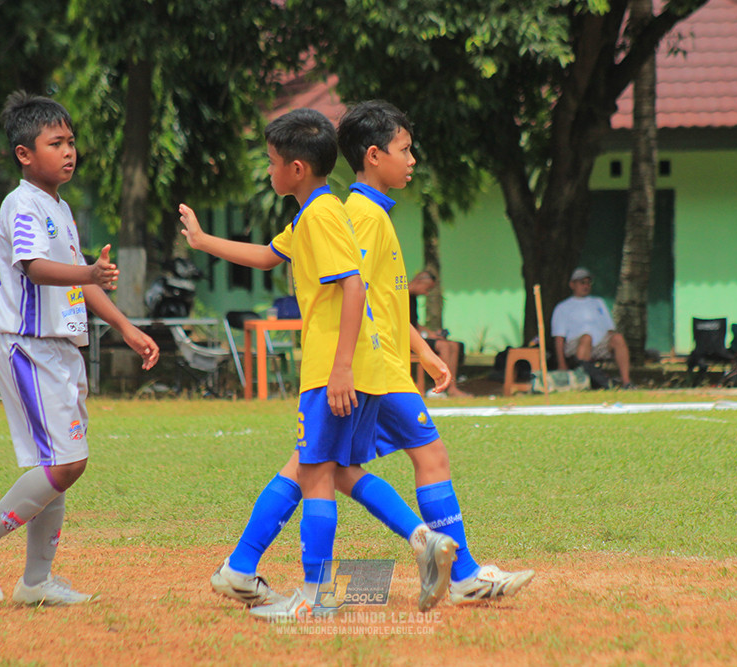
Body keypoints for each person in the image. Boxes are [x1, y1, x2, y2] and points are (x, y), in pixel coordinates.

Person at [183, 101, 534, 613]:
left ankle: (262, 572)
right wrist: (360, 364)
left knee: (324, 468)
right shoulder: (353, 215)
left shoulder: (342, 212)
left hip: (359, 366)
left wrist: (421, 351)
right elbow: (350, 291)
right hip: (364, 368)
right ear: (372, 156)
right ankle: (412, 563)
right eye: (405, 149)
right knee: (325, 469)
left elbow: (371, 297)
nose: (412, 159)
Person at [0, 91, 159, 606]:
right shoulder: (22, 203)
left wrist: (125, 327)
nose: (69, 152)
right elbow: (35, 268)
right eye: (56, 143)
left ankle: (37, 581)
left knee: (61, 464)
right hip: (30, 347)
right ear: (25, 154)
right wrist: (87, 271)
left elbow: (78, 282)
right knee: (66, 464)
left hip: (62, 349)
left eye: (71, 142)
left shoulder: (59, 208)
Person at [551, 267, 633, 389]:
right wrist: (561, 363)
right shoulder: (563, 307)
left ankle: (626, 382)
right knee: (586, 338)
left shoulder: (598, 303)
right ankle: (587, 380)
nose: (586, 286)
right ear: (572, 285)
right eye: (582, 283)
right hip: (576, 345)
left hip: (599, 344)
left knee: (618, 338)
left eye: (588, 283)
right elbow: (559, 338)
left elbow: (610, 328)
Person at [407, 270, 471, 397]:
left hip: (414, 335)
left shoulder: (413, 298)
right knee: (444, 346)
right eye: (427, 289)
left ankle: (452, 386)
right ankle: (442, 385)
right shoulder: (401, 296)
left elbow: (415, 324)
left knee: (454, 345)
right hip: (406, 340)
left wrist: (433, 334)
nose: (426, 293)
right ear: (419, 281)